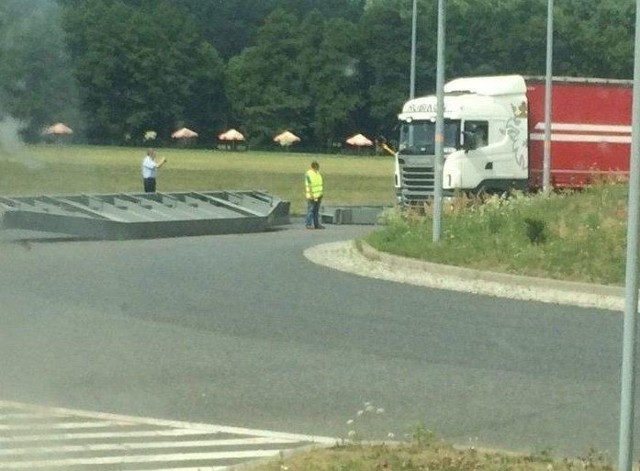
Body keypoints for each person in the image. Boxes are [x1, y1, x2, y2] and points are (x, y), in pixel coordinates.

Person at [304, 160, 324, 229]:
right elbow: (309, 185)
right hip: (312, 196)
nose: (318, 168)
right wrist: (312, 195)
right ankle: (308, 224)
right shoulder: (308, 174)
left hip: (318, 195)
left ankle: (317, 224)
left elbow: (319, 184)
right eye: (317, 167)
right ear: (314, 167)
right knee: (310, 210)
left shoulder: (318, 173)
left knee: (316, 211)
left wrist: (321, 194)